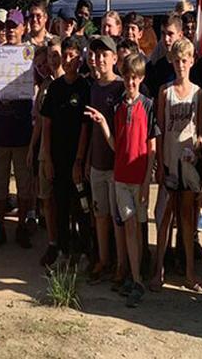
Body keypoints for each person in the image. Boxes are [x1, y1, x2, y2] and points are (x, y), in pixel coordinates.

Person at [85, 52, 159, 308]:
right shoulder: (118, 107)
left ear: (141, 79)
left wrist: (148, 183)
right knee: (127, 226)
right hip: (120, 176)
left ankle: (137, 276)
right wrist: (104, 123)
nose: (130, 83)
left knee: (136, 227)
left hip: (138, 178)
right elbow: (116, 145)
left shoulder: (147, 105)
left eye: (135, 78)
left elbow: (151, 148)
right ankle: (133, 276)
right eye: (127, 78)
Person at [153, 38, 202, 292]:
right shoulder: (165, 91)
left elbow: (201, 130)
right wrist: (160, 163)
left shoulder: (198, 92)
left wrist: (198, 150)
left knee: (187, 219)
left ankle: (190, 272)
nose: (181, 65)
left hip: (188, 164)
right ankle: (158, 269)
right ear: (172, 61)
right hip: (169, 161)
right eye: (177, 60)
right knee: (163, 217)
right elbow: (159, 128)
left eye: (186, 60)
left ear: (192, 61)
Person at [40, 36, 91, 264]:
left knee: (80, 207)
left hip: (77, 158)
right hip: (57, 157)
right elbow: (47, 124)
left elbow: (85, 127)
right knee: (59, 205)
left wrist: (79, 160)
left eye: (73, 56)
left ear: (80, 58)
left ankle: (81, 251)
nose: (68, 60)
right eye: (65, 55)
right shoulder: (55, 88)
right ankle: (61, 250)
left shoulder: (85, 88)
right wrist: (47, 158)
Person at [0, 9, 35, 249]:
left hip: (22, 132)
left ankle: (22, 227)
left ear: (23, 28)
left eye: (14, 26)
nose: (10, 30)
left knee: (24, 186)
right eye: (6, 26)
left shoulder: (30, 56)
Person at [84, 36, 126, 284]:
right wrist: (86, 159)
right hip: (97, 161)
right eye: (96, 54)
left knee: (117, 218)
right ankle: (103, 259)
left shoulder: (121, 88)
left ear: (114, 58)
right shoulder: (93, 88)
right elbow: (88, 129)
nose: (100, 59)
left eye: (104, 54)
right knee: (100, 214)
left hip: (116, 164)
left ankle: (121, 264)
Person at [32, 39, 63, 265]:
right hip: (45, 150)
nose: (52, 61)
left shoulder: (69, 82)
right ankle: (52, 243)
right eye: (49, 57)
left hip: (64, 150)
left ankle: (67, 243)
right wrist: (33, 148)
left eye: (55, 55)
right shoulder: (44, 85)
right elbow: (40, 122)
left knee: (65, 200)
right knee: (47, 199)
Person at [146, 14, 183, 98]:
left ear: (180, 35)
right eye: (163, 33)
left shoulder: (187, 65)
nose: (166, 39)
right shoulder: (156, 68)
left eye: (170, 34)